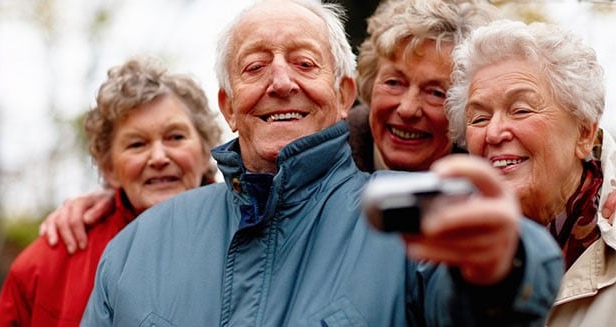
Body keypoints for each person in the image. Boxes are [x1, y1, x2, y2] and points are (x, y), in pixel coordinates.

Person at [81, 1, 563, 325]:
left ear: (343, 95)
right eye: (255, 66)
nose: (281, 81)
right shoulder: (134, 249)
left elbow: (492, 304)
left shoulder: (411, 229)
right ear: (227, 106)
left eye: (305, 63)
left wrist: (503, 265)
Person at [0, 57, 222, 326]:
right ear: (109, 167)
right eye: (137, 144)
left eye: (175, 137)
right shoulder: (45, 267)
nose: (159, 157)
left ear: (206, 150)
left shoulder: (252, 235)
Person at [445, 19, 616, 326]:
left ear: (584, 134)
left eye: (521, 109)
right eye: (479, 118)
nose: (494, 132)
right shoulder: (443, 250)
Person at [349, 0, 497, 172]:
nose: (407, 109)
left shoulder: (492, 172)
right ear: (370, 82)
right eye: (394, 83)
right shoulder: (326, 159)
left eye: (436, 93)